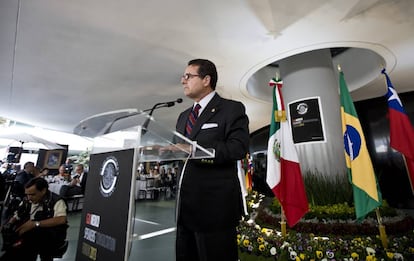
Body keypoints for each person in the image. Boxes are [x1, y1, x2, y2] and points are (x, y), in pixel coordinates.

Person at [174, 59, 250, 261]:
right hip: (184, 209)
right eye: (183, 77)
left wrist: (195, 149)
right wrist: (165, 151)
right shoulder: (183, 117)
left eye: (188, 76)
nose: (183, 80)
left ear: (206, 79)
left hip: (215, 210)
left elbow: (238, 148)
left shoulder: (231, 109)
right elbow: (179, 151)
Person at [0, 177, 68, 261]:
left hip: (50, 235)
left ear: (43, 191)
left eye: (32, 194)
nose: (29, 198)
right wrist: (8, 224)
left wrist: (35, 224)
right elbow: (18, 214)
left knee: (29, 239)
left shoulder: (57, 201)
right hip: (31, 234)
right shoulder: (27, 200)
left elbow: (61, 219)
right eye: (27, 194)